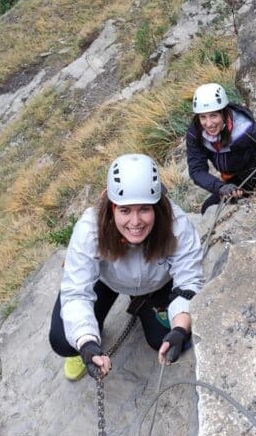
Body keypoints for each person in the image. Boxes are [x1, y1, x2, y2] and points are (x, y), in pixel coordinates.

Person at [49, 153, 204, 381]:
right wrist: (86, 342)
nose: (135, 222)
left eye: (144, 209)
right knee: (64, 340)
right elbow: (76, 293)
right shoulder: (90, 229)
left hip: (156, 284)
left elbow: (189, 280)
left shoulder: (176, 224)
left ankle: (141, 303)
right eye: (125, 210)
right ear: (112, 208)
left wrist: (180, 327)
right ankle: (86, 337)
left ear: (157, 206)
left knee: (169, 340)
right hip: (106, 281)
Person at [186, 82, 256, 214]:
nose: (209, 123)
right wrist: (221, 187)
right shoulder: (196, 133)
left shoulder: (244, 128)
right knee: (207, 208)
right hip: (231, 182)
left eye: (213, 115)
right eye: (203, 117)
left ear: (224, 113)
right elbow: (197, 171)